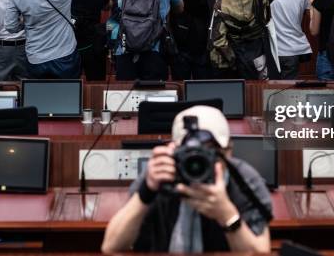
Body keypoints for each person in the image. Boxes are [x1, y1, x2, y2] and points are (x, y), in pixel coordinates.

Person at [101, 105, 272, 253]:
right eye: (190, 155)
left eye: (211, 153)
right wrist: (147, 191)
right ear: (174, 150)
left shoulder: (244, 179)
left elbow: (262, 252)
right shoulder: (162, 175)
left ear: (229, 151)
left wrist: (227, 215)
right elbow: (111, 246)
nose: (200, 163)